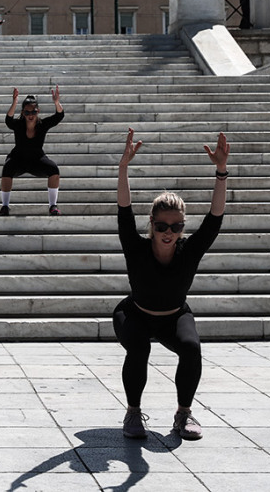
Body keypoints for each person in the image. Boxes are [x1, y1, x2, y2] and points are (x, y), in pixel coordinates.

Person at [114, 128, 230, 441]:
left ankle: (183, 413)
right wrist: (124, 167)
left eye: (176, 226)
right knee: (138, 347)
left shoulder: (189, 249)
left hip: (174, 315)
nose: (169, 232)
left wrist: (221, 171)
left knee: (191, 348)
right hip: (135, 313)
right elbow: (124, 211)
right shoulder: (136, 246)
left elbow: (214, 218)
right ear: (151, 224)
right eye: (162, 226)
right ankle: (134, 412)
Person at [0, 85, 64, 216]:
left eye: (33, 112)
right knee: (7, 169)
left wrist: (57, 102)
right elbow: (8, 120)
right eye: (27, 112)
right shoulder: (18, 125)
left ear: (38, 111)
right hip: (18, 158)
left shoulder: (42, 124)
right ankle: (5, 206)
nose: (30, 115)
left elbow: (59, 116)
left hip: (37, 159)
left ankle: (53, 206)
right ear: (23, 113)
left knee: (54, 170)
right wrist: (14, 103)